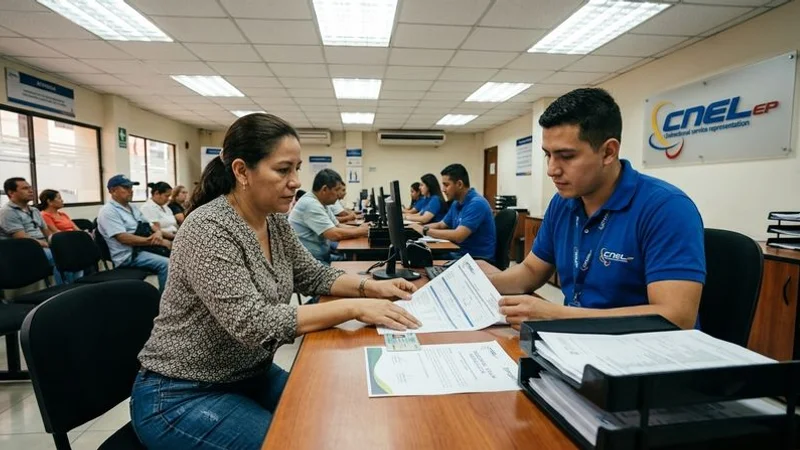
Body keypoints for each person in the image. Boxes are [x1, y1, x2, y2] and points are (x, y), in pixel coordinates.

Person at [130, 113, 420, 450]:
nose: (296, 180)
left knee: (340, 411)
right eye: (283, 170)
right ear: (241, 171)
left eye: (297, 168)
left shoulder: (274, 221)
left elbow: (313, 275)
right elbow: (254, 323)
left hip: (248, 374)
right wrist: (355, 307)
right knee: (296, 441)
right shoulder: (208, 229)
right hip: (182, 393)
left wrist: (372, 287)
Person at [488, 88, 706, 330]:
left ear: (608, 152)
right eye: (547, 155)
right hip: (576, 342)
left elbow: (676, 316)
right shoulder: (563, 203)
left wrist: (557, 315)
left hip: (643, 353)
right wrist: (477, 284)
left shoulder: (666, 208)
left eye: (566, 156)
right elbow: (530, 270)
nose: (551, 169)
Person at [96, 174, 171, 292]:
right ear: (112, 191)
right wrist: (155, 241)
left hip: (143, 248)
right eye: (126, 188)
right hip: (128, 255)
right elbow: (123, 238)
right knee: (167, 264)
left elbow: (151, 225)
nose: (131, 191)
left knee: (178, 255)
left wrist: (158, 234)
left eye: (131, 188)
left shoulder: (132, 207)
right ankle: (164, 304)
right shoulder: (108, 211)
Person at [409, 164, 496, 262]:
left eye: (446, 185)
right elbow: (441, 225)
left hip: (476, 259)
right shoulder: (456, 202)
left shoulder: (476, 203)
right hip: (460, 253)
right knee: (417, 256)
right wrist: (414, 230)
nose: (443, 189)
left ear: (459, 184)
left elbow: (458, 236)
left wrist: (425, 230)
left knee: (420, 261)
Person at [289, 169, 369, 264]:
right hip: (310, 263)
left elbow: (338, 226)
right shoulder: (310, 204)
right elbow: (333, 234)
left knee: (355, 262)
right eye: (336, 190)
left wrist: (362, 229)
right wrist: (360, 231)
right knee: (352, 269)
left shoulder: (322, 203)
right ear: (324, 189)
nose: (338, 194)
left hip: (322, 257)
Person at [0, 178, 65, 284]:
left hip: (42, 245)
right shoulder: (7, 212)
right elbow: (22, 238)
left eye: (30, 188)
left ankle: (72, 285)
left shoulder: (34, 210)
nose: (31, 191)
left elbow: (46, 232)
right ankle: (61, 289)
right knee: (59, 255)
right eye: (25, 188)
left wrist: (56, 242)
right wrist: (48, 245)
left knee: (71, 251)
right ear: (11, 193)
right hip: (24, 248)